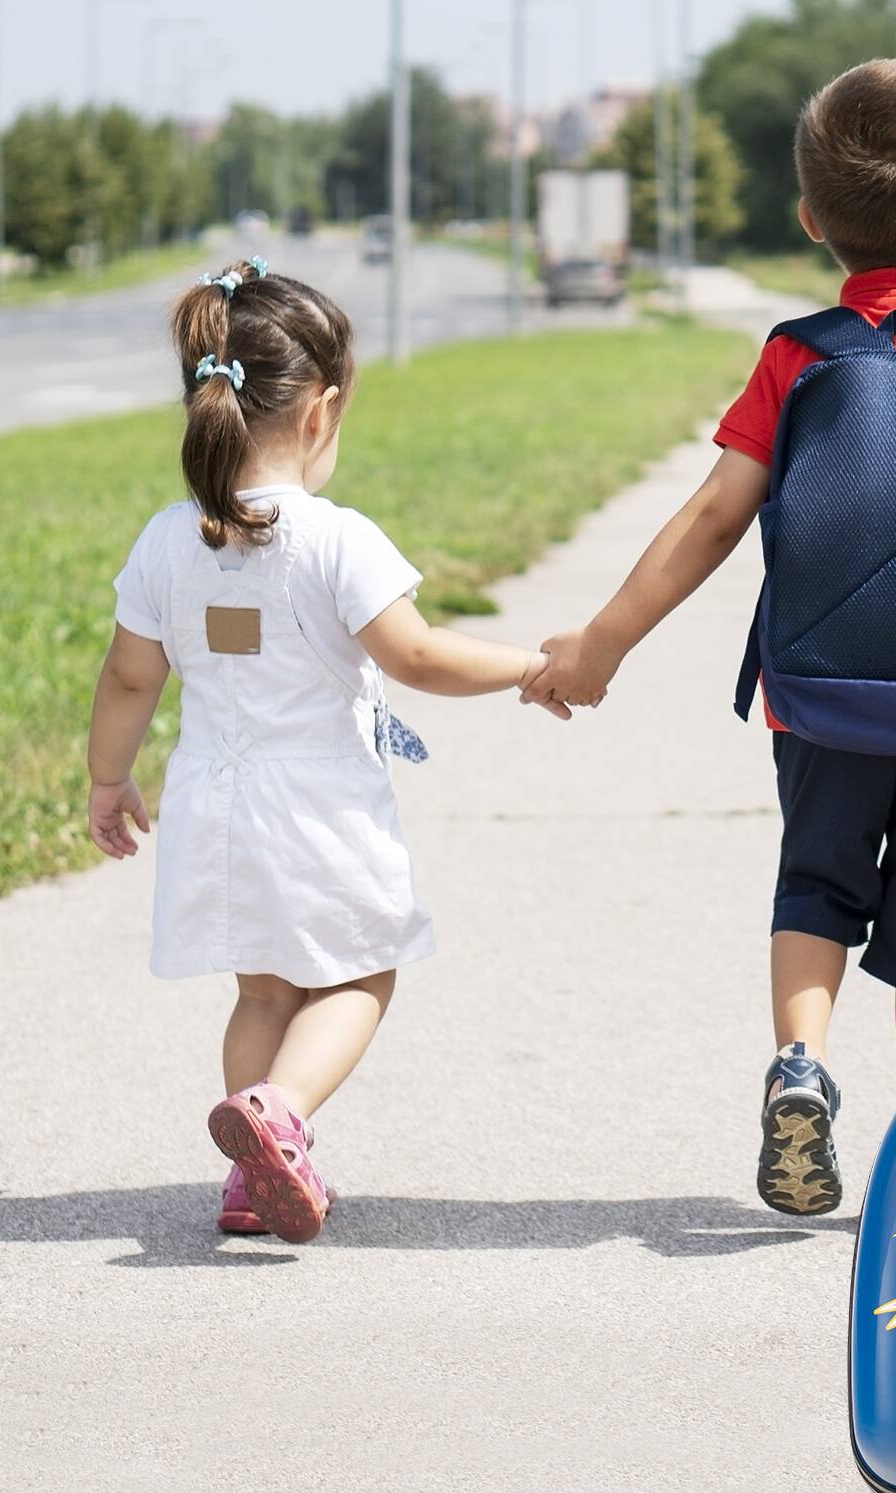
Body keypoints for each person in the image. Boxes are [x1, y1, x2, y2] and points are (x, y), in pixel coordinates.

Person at [522, 61, 896, 1216]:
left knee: (817, 886)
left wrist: (600, 644)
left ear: (812, 221)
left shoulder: (795, 357)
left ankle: (799, 1061)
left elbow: (714, 516)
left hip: (819, 690)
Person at [86, 257, 566, 1244]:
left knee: (262, 990)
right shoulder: (335, 539)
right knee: (361, 974)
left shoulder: (169, 540)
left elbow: (131, 677)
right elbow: (418, 655)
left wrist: (106, 776)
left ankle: (246, 1175)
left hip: (216, 809)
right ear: (319, 414)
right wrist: (529, 665)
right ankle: (281, 1119)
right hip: (318, 808)